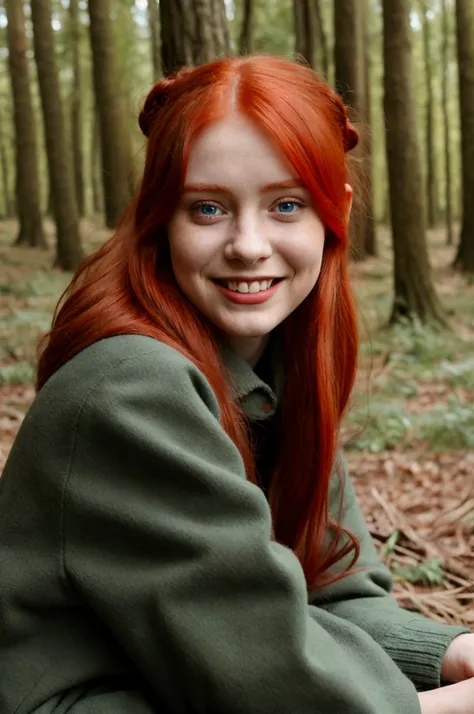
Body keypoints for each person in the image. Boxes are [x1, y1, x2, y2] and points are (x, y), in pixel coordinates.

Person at [0, 55, 472, 714]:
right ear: (160, 217)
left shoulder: (278, 367)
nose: (248, 244)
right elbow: (265, 676)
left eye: (285, 204)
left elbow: (335, 591)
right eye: (208, 208)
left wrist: (455, 651)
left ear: (335, 211)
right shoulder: (130, 389)